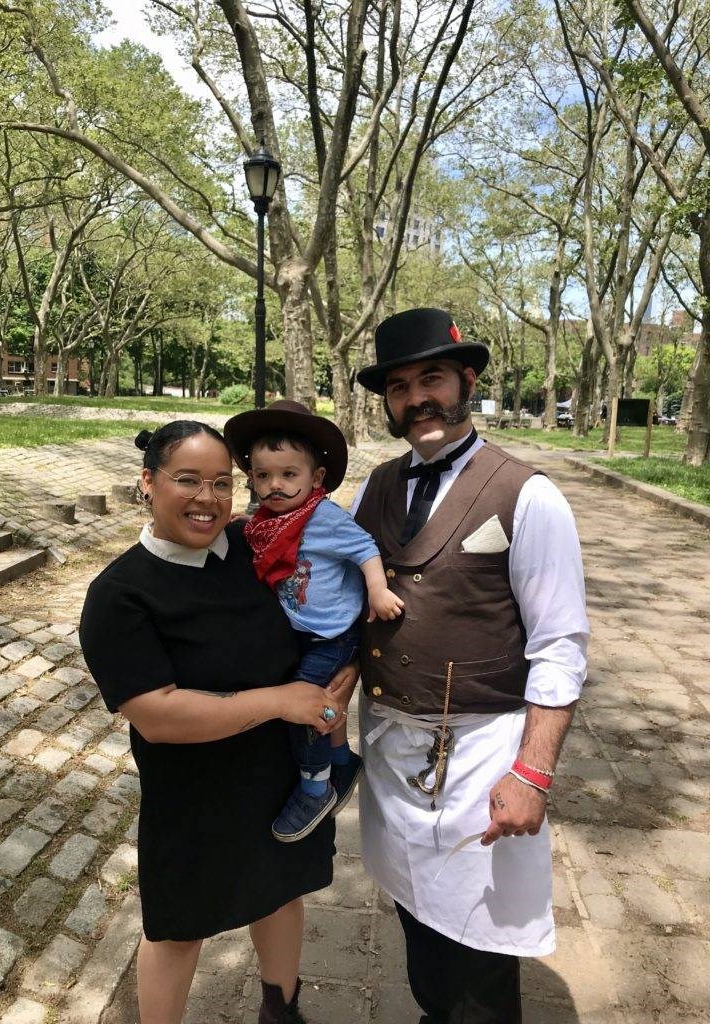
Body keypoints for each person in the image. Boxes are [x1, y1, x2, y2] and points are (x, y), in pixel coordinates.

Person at [344, 308, 589, 1024]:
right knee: (415, 910)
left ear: (467, 381)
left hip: (484, 754)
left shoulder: (529, 495)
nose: (417, 398)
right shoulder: (375, 488)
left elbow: (560, 646)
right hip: (393, 749)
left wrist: (532, 774)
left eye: (432, 378)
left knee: (480, 945)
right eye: (399, 387)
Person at [79, 420, 348, 1024]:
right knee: (178, 927)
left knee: (281, 890)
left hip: (280, 779)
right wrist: (284, 700)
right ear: (148, 482)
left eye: (222, 483)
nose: (208, 498)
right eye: (187, 480)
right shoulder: (120, 595)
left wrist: (342, 671)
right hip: (194, 793)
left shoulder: (255, 549)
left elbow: (325, 605)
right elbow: (159, 716)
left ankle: (281, 1009)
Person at [224, 401, 403, 843]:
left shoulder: (323, 517)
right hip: (301, 630)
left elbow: (365, 548)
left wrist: (378, 591)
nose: (275, 486)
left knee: (305, 708)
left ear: (316, 478)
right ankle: (342, 763)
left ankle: (315, 787)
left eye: (289, 475)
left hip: (331, 635)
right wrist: (246, 523)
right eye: (263, 476)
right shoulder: (269, 522)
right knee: (320, 697)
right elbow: (263, 539)